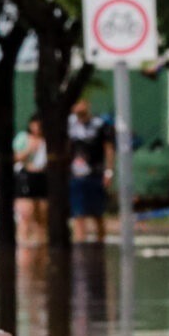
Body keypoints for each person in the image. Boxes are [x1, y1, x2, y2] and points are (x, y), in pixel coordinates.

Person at [66, 99, 116, 244]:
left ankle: (100, 244)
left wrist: (109, 171)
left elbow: (109, 149)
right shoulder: (69, 125)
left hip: (95, 174)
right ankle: (80, 243)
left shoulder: (100, 125)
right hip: (75, 175)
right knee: (78, 214)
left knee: (97, 213)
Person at [11, 115, 48, 244]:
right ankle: (23, 243)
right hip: (26, 177)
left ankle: (41, 245)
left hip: (43, 178)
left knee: (42, 216)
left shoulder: (47, 140)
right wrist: (29, 149)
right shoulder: (24, 138)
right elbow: (15, 157)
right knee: (26, 215)